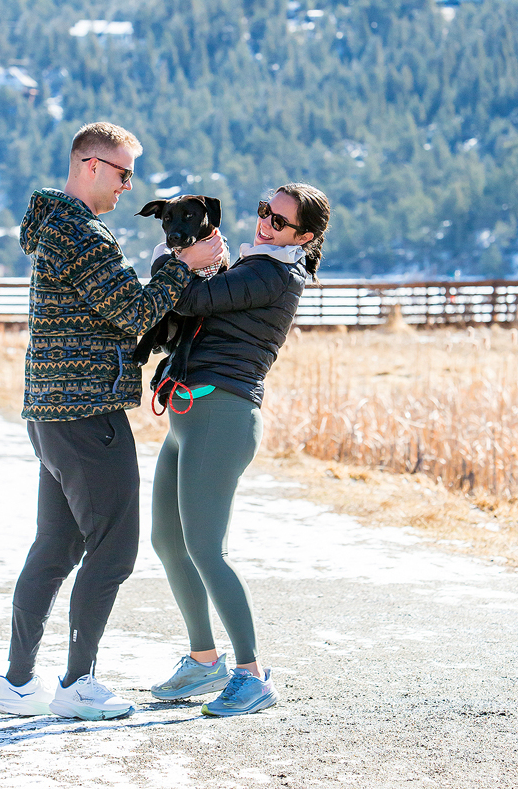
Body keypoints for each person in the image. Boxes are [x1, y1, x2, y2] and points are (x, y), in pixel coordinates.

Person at [0, 121, 224, 722]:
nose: (128, 187)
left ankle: (17, 683)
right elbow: (133, 311)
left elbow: (114, 312)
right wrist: (184, 262)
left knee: (55, 547)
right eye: (123, 173)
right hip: (88, 413)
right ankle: (77, 684)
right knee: (114, 552)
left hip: (50, 413)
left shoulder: (54, 226)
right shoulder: (81, 232)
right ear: (91, 165)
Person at [149, 183, 330, 716]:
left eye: (279, 221)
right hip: (190, 415)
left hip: (221, 417)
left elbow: (189, 298)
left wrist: (171, 257)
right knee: (168, 541)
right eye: (264, 211)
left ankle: (252, 675)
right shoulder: (253, 264)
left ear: (304, 237)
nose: (265, 224)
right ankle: (205, 660)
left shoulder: (272, 273)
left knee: (206, 549)